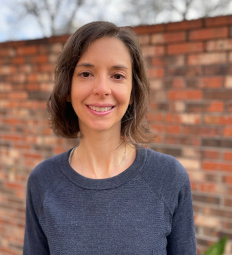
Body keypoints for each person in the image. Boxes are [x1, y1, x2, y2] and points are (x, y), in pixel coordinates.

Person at [23, 21, 197, 254]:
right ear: (67, 88)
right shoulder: (43, 181)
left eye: (117, 75)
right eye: (86, 73)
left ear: (133, 91)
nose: (102, 88)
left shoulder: (168, 178)